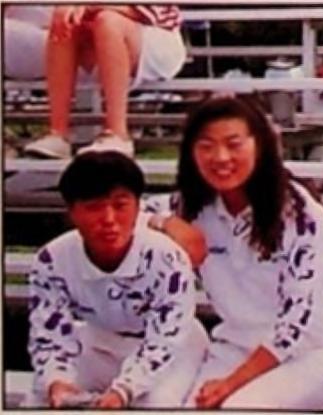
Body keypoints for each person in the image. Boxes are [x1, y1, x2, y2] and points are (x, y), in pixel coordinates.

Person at [142, 96, 323, 409]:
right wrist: (167, 222)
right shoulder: (191, 205)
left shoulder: (299, 213)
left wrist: (230, 385)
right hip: (233, 347)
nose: (220, 157)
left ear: (260, 145)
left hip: (311, 353)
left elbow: (301, 323)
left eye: (234, 144)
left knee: (237, 409)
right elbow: (129, 212)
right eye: (206, 146)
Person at [26, 151, 208, 408]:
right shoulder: (51, 260)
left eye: (120, 206)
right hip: (99, 342)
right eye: (94, 208)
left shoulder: (167, 258)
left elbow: (165, 339)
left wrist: (123, 391)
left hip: (174, 348)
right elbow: (49, 334)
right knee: (39, 398)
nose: (109, 220)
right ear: (72, 212)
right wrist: (57, 381)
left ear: (137, 207)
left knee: (157, 402)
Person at [23, 5, 186, 159]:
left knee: (108, 21)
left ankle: (118, 134)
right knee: (64, 20)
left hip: (157, 35)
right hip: (99, 34)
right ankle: (57, 134)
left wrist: (89, 6)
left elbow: (149, 13)